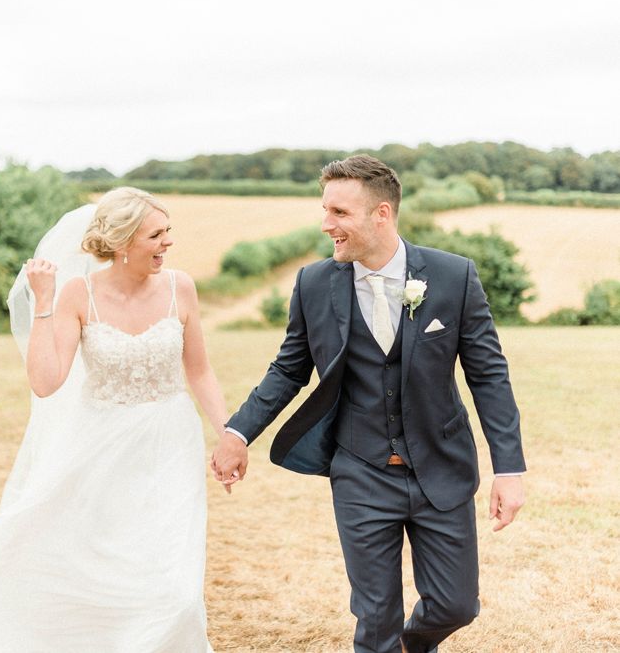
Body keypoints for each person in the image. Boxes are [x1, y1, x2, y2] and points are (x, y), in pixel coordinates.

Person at [211, 155, 526, 653]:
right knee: (375, 616)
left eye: (339, 212)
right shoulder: (314, 284)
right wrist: (237, 432)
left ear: (381, 214)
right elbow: (289, 369)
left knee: (456, 605)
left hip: (440, 466)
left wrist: (509, 468)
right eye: (324, 210)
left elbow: (488, 376)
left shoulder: (453, 277)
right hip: (359, 469)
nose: (325, 224)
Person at [0, 187, 227, 652]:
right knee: (69, 549)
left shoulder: (179, 287)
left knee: (173, 579)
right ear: (124, 242)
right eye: (156, 234)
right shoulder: (78, 293)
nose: (168, 242)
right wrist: (44, 301)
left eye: (168, 231)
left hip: (169, 441)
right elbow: (47, 382)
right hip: (99, 443)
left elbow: (200, 370)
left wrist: (230, 433)